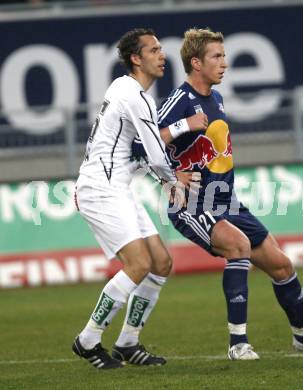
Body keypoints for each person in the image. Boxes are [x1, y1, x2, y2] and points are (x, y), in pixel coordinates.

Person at [129, 28, 303, 360]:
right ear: (196, 62)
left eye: (224, 56)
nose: (225, 64)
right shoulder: (179, 101)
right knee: (239, 246)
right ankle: (238, 344)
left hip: (226, 201)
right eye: (217, 57)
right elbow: (139, 145)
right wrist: (169, 176)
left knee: (282, 266)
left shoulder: (215, 98)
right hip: (191, 203)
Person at [72, 28, 207, 369]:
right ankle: (87, 341)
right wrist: (170, 178)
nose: (162, 55)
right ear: (136, 58)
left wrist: (167, 162)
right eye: (154, 50)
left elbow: (140, 148)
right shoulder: (134, 95)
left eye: (161, 49)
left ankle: (128, 342)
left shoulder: (127, 91)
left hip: (116, 187)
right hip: (100, 189)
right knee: (139, 265)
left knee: (160, 262)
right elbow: (155, 152)